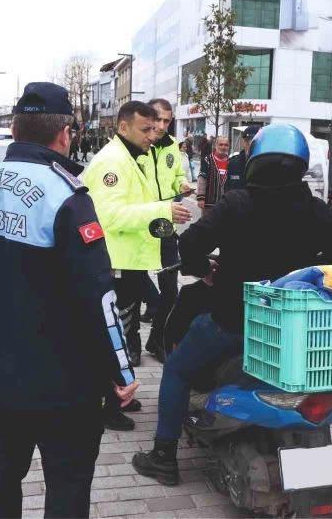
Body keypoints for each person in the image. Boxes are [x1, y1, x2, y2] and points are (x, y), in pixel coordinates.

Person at [0, 82, 139, 519]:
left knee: (1, 467)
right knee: (68, 479)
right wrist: (120, 370)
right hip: (65, 382)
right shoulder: (67, 196)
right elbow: (98, 296)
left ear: (13, 129)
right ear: (65, 133)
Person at [131, 124, 332, 486]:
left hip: (232, 323)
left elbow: (188, 246)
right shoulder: (315, 210)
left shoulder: (237, 202)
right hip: (289, 327)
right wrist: (312, 266)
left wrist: (206, 270)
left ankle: (164, 456)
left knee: (176, 369)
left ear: (255, 160)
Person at [83, 100, 191, 430]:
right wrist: (161, 211)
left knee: (122, 331)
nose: (153, 134)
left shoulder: (135, 157)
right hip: (113, 263)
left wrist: (163, 212)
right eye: (145, 128)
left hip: (128, 261)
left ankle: (119, 396)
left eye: (156, 127)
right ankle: (106, 405)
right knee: (110, 337)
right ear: (123, 127)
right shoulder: (112, 163)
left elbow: (138, 205)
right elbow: (110, 216)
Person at [138, 99, 192, 363]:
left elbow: (176, 175)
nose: (161, 126)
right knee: (132, 285)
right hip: (138, 223)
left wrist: (182, 185)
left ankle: (157, 339)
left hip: (164, 224)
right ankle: (131, 346)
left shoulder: (172, 145)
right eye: (157, 119)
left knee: (171, 289)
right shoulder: (136, 146)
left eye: (166, 121)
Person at [196, 136, 231, 215]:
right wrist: (201, 198)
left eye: (226, 145)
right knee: (207, 226)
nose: (223, 147)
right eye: (221, 144)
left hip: (226, 205)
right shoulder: (207, 160)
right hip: (209, 204)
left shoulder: (231, 162)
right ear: (216, 146)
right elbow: (202, 178)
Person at [225, 125, 259, 192]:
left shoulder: (265, 165)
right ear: (244, 142)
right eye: (248, 141)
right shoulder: (233, 164)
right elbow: (227, 189)